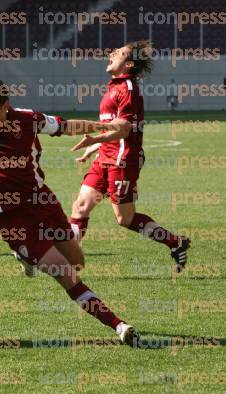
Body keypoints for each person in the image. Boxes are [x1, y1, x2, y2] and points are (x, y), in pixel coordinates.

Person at [0, 78, 140, 346]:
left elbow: (67, 126)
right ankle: (119, 326)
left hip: (43, 204)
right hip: (11, 219)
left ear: (5, 106)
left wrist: (106, 127)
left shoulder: (28, 119)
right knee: (66, 275)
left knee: (77, 262)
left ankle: (26, 258)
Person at [69, 40, 190, 273]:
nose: (112, 52)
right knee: (81, 207)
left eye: (119, 52)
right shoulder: (114, 86)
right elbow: (113, 126)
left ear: (129, 64)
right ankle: (69, 260)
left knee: (125, 219)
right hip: (105, 156)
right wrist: (95, 148)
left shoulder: (128, 90)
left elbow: (123, 130)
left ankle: (176, 242)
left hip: (122, 160)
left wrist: (94, 139)